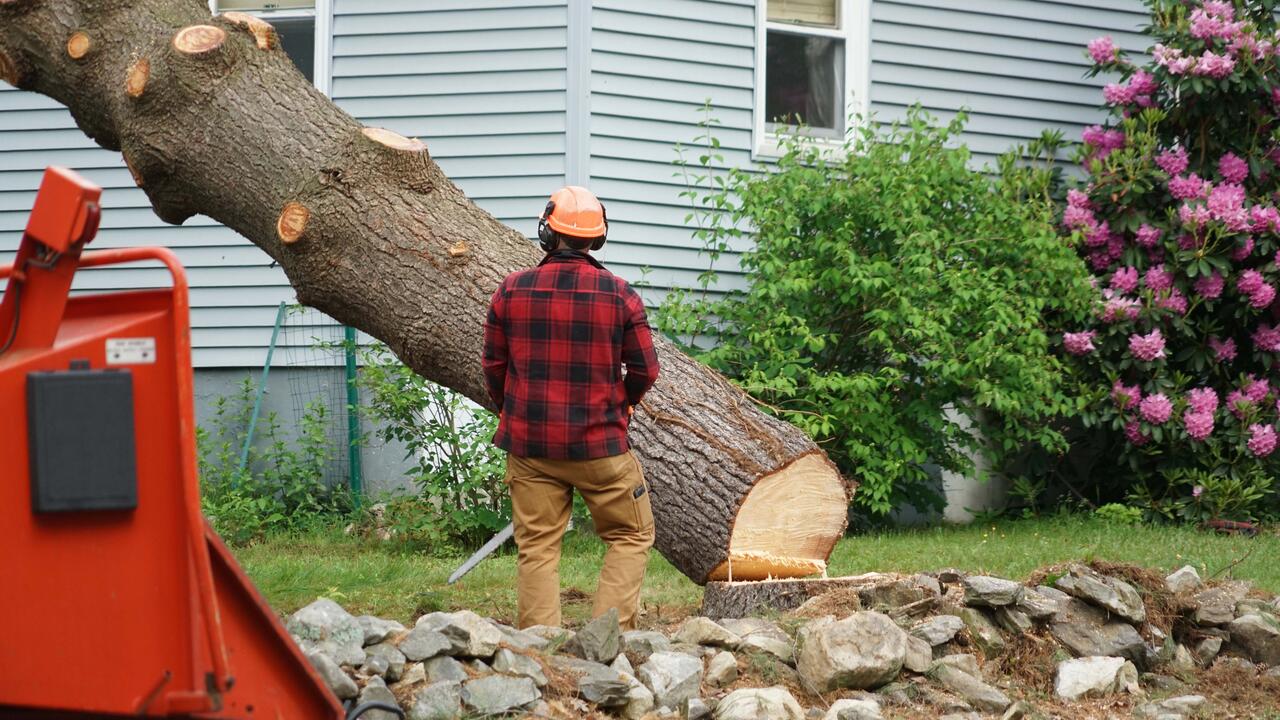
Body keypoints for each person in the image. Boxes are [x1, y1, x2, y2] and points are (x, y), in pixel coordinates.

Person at [482, 186, 660, 630]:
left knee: (538, 546)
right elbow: (646, 370)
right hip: (600, 446)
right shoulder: (621, 296)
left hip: (530, 447)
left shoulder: (511, 289)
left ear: (547, 231)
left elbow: (493, 366)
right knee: (631, 534)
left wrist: (515, 411)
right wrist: (625, 402)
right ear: (597, 239)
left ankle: (539, 651)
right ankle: (608, 639)